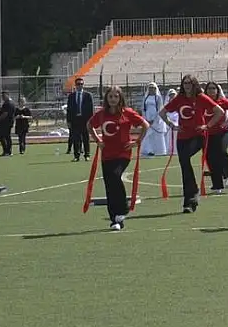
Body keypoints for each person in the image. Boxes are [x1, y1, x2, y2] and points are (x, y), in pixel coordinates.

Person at [88, 86, 150, 231]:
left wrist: (137, 141)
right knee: (109, 186)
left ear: (120, 98)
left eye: (116, 96)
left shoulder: (127, 113)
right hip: (107, 154)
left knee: (116, 176)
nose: (113, 99)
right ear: (106, 99)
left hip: (123, 153)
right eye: (110, 97)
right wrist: (97, 140)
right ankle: (115, 220)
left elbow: (145, 125)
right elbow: (89, 125)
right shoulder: (101, 114)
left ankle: (123, 208)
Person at [159, 75, 223, 214]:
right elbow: (162, 112)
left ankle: (192, 195)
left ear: (194, 84)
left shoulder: (201, 98)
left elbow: (219, 112)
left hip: (198, 136)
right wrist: (171, 124)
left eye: (189, 83)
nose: (187, 85)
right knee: (184, 164)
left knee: (187, 158)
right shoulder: (179, 99)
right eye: (184, 83)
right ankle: (190, 198)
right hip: (182, 137)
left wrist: (207, 125)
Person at [202, 82, 228, 193]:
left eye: (214, 88)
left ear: (217, 90)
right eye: (209, 89)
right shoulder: (202, 102)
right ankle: (217, 185)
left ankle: (227, 175)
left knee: (221, 151)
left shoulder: (222, 101)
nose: (211, 91)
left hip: (223, 132)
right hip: (207, 134)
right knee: (210, 158)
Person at [67, 78, 95, 161]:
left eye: (81, 84)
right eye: (78, 84)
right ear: (75, 85)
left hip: (85, 120)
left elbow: (91, 109)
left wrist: (91, 121)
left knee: (86, 138)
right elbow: (69, 109)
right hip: (75, 120)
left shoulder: (88, 95)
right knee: (76, 138)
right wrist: (68, 121)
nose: (80, 86)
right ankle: (76, 156)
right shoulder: (71, 96)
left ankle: (87, 155)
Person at [141, 83, 169, 157]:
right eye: (150, 88)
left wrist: (154, 120)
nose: (151, 89)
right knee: (148, 135)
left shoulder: (158, 98)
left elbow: (159, 109)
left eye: (153, 88)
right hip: (147, 118)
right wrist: (145, 119)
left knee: (157, 135)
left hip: (156, 120)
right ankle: (149, 150)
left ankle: (159, 151)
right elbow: (143, 109)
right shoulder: (146, 97)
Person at [0, 92, 15, 156]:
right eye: (2, 96)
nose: (3, 97)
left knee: (2, 136)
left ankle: (7, 151)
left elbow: (5, 114)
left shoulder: (8, 103)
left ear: (8, 95)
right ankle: (7, 151)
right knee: (6, 136)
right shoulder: (11, 102)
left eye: (4, 96)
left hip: (5, 123)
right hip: (8, 122)